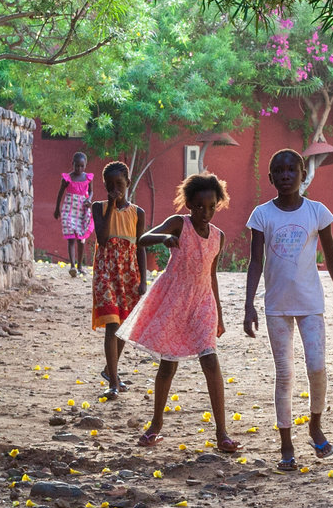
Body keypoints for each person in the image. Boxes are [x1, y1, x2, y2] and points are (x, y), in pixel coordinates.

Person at [243, 147, 333, 472]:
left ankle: (315, 426)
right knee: (285, 374)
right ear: (270, 178)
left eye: (292, 170)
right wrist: (249, 305)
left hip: (310, 304)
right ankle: (286, 445)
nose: (285, 176)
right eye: (279, 172)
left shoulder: (316, 212)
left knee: (317, 367)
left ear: (303, 175)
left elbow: (332, 260)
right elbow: (255, 262)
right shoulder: (262, 215)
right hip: (276, 306)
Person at [121, 171, 240, 454]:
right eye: (199, 206)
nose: (205, 212)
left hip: (202, 304)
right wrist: (164, 239)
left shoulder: (218, 237)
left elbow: (212, 276)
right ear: (189, 205)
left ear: (217, 204)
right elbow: (143, 239)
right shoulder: (178, 224)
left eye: (211, 206)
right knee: (168, 364)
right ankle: (156, 425)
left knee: (210, 361)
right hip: (174, 301)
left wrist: (219, 316)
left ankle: (222, 432)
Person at [89, 161, 145, 399]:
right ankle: (113, 381)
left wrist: (143, 279)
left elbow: (141, 246)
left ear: (128, 184)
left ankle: (109, 370)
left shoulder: (137, 213)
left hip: (129, 273)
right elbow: (102, 238)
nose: (115, 189)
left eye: (119, 184)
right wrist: (111, 205)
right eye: (110, 186)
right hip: (106, 274)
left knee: (124, 327)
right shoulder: (98, 207)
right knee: (112, 324)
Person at [53, 151, 97, 276]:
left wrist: (89, 200)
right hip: (69, 210)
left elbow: (91, 192)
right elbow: (60, 193)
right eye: (77, 165)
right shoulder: (67, 178)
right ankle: (72, 266)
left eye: (81, 166)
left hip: (82, 210)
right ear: (72, 164)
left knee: (81, 239)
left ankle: (80, 266)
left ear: (85, 166)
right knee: (71, 238)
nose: (79, 168)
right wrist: (57, 209)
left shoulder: (88, 178)